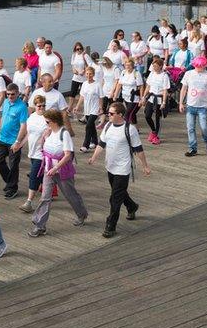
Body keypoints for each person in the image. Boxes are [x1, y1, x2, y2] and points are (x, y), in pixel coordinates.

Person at [88, 101, 151, 238]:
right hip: (110, 166)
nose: (108, 115)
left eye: (111, 113)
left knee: (114, 198)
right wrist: (93, 157)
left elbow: (138, 149)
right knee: (119, 192)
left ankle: (110, 225)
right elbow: (101, 144)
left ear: (120, 115)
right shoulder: (108, 126)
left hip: (123, 168)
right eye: (108, 113)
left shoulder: (130, 129)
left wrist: (145, 166)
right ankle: (132, 206)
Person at [27, 109, 88, 237]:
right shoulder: (49, 132)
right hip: (48, 169)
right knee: (45, 197)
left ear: (54, 121)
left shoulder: (64, 134)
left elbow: (68, 155)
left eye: (47, 121)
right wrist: (44, 137)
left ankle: (81, 214)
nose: (46, 123)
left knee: (70, 194)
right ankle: (40, 225)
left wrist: (56, 168)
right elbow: (42, 147)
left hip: (61, 170)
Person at [178, 56, 207, 157]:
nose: (200, 68)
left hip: (202, 107)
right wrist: (181, 103)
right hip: (190, 105)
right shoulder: (188, 74)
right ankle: (192, 148)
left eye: (202, 66)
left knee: (204, 127)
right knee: (190, 128)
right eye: (198, 66)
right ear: (194, 65)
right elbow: (184, 89)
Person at [0, 83, 29, 200]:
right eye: (8, 94)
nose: (10, 96)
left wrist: (18, 142)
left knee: (13, 165)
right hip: (2, 138)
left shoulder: (22, 107)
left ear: (18, 93)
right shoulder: (6, 102)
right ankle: (10, 182)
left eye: (12, 94)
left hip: (14, 141)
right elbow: (3, 118)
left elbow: (23, 126)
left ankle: (12, 188)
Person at [19, 96, 49, 214]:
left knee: (33, 176)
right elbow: (28, 134)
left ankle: (29, 202)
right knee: (41, 176)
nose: (41, 108)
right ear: (35, 106)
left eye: (43, 105)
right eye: (39, 106)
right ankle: (48, 191)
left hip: (42, 153)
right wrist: (20, 144)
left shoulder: (48, 119)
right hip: (32, 152)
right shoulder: (31, 117)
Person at [141, 57, 170, 145]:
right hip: (151, 98)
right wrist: (144, 97)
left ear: (161, 66)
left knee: (158, 119)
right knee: (147, 115)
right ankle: (153, 131)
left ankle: (157, 136)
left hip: (159, 99)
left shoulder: (164, 76)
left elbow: (165, 90)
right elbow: (148, 86)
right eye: (153, 66)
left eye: (156, 66)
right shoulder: (152, 74)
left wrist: (164, 102)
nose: (154, 68)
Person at [75, 66, 102, 150]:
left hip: (95, 108)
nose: (88, 75)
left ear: (93, 74)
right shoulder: (84, 84)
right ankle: (95, 142)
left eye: (90, 74)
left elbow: (101, 97)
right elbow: (82, 96)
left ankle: (85, 145)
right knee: (92, 126)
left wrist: (101, 107)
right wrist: (77, 106)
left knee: (88, 125)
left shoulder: (97, 84)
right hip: (87, 109)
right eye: (87, 73)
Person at [111, 58, 143, 126]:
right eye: (126, 65)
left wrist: (141, 98)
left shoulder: (136, 74)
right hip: (125, 96)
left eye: (129, 65)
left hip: (134, 98)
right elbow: (119, 84)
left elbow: (141, 86)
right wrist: (115, 95)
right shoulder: (123, 72)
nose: (127, 67)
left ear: (132, 66)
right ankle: (135, 127)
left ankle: (125, 128)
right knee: (132, 113)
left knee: (127, 114)